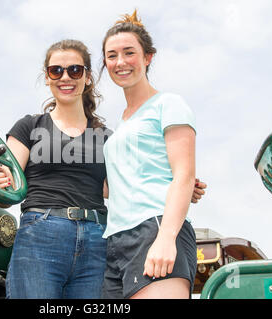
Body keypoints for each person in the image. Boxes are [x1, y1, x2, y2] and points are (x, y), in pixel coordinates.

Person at [0, 38, 206, 299]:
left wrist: (178, 185)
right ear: (47, 77)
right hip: (40, 235)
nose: (65, 77)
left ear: (88, 77)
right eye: (56, 70)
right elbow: (5, 191)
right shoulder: (29, 126)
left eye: (75, 70)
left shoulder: (107, 138)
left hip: (97, 240)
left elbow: (127, 184)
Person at [100, 10, 199, 299]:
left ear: (147, 57)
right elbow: (113, 186)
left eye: (129, 53)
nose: (120, 62)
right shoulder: (121, 124)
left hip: (154, 228)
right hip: (115, 240)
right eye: (112, 55)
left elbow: (184, 174)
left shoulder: (169, 104)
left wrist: (166, 238)